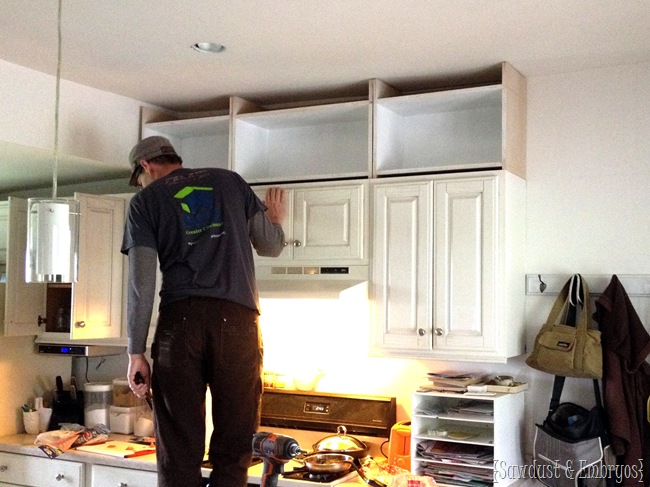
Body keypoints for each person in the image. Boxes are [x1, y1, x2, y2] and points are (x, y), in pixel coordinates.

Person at [121, 135, 286, 487]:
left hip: (179, 325)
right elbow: (271, 247)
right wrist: (275, 220)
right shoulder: (229, 181)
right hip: (239, 322)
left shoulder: (144, 202)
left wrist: (136, 352)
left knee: (178, 448)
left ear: (146, 166)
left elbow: (142, 285)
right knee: (236, 443)